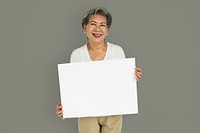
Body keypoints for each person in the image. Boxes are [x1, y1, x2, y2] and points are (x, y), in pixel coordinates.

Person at [56, 7, 142, 133]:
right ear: (85, 28)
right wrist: (66, 105)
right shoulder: (77, 54)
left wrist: (132, 76)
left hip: (113, 111)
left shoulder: (117, 51)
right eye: (93, 24)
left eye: (102, 25)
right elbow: (74, 86)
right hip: (87, 112)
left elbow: (123, 84)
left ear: (107, 30)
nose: (97, 29)